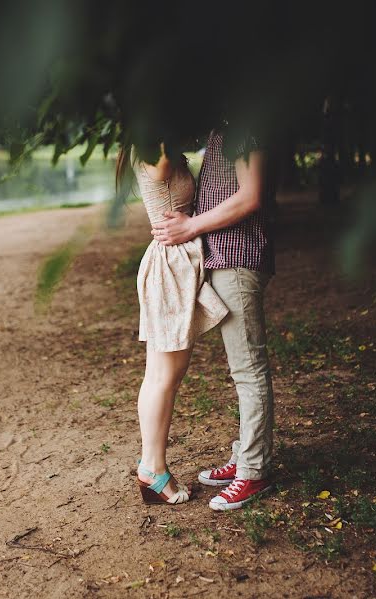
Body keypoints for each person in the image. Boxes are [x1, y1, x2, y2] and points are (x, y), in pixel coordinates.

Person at [150, 128, 275, 511]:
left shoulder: (246, 122)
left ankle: (254, 472)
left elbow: (250, 195)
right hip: (224, 256)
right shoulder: (228, 122)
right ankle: (244, 456)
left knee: (248, 369)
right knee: (242, 369)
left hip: (237, 257)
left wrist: (190, 227)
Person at [116, 144, 229, 505]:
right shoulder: (155, 150)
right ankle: (152, 470)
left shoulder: (157, 149)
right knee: (164, 376)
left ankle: (152, 465)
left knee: (163, 374)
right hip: (169, 266)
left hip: (173, 263)